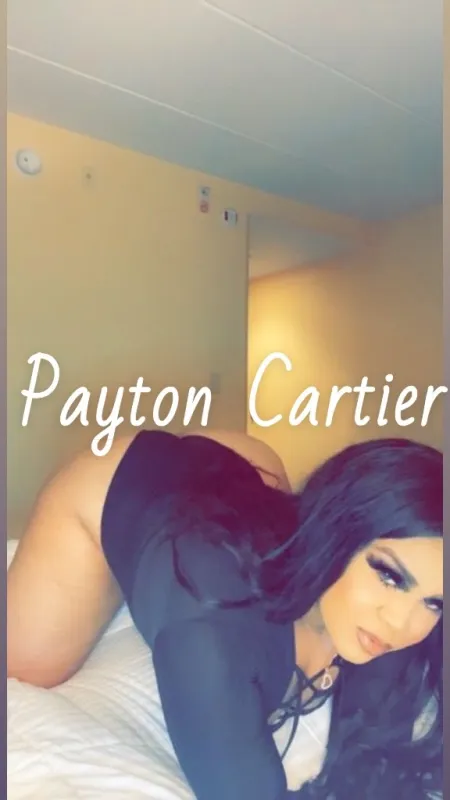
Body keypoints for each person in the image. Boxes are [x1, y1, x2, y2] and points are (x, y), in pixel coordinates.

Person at [7, 428, 443, 800]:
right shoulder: (210, 633)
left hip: (246, 471)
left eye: (435, 602)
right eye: (389, 576)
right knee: (23, 667)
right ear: (337, 530)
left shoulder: (391, 619)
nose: (401, 624)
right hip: (125, 481)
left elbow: (378, 751)